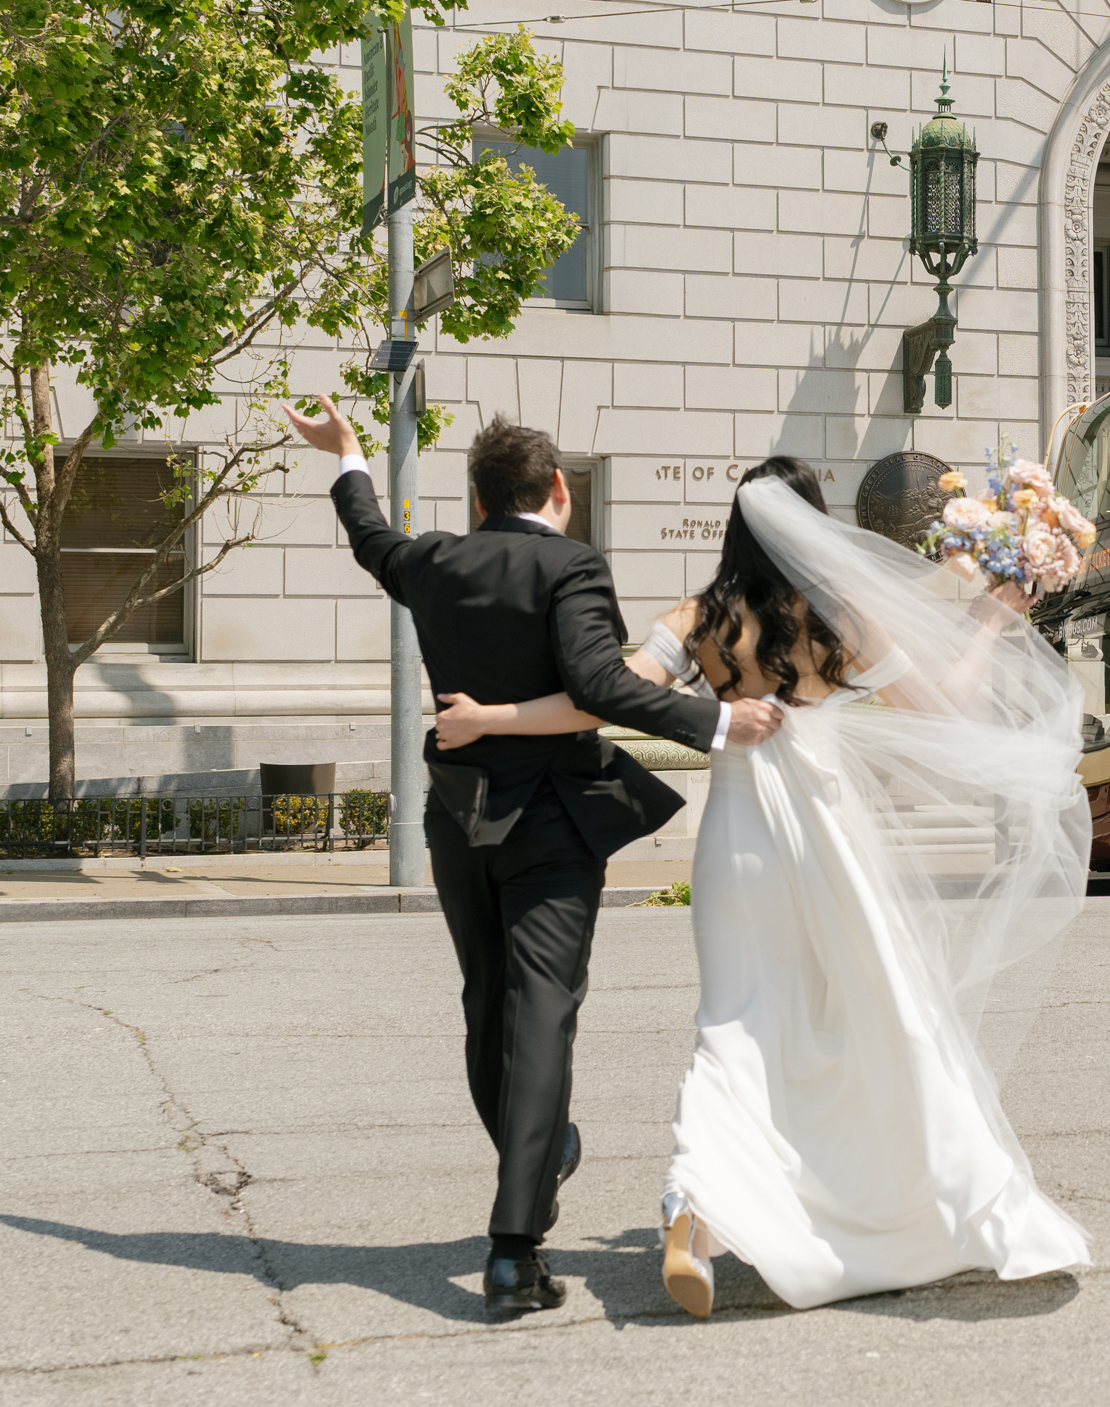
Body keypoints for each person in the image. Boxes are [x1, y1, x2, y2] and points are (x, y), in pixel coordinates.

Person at [431, 457, 1093, 1316]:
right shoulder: (841, 617)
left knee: (733, 1025)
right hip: (828, 837)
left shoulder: (700, 617)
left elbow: (596, 701)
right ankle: (863, 1197)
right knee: (870, 1013)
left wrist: (488, 718)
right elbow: (943, 708)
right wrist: (987, 624)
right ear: (816, 526)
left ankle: (694, 1206)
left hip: (737, 840)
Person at [282, 401, 785, 1317]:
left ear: (476, 501)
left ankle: (541, 1155)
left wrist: (349, 454)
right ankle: (513, 1248)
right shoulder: (574, 563)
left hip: (456, 821)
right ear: (558, 488)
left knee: (487, 1007)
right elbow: (598, 685)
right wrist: (719, 721)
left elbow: (369, 538)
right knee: (540, 1015)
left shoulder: (431, 559)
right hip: (551, 826)